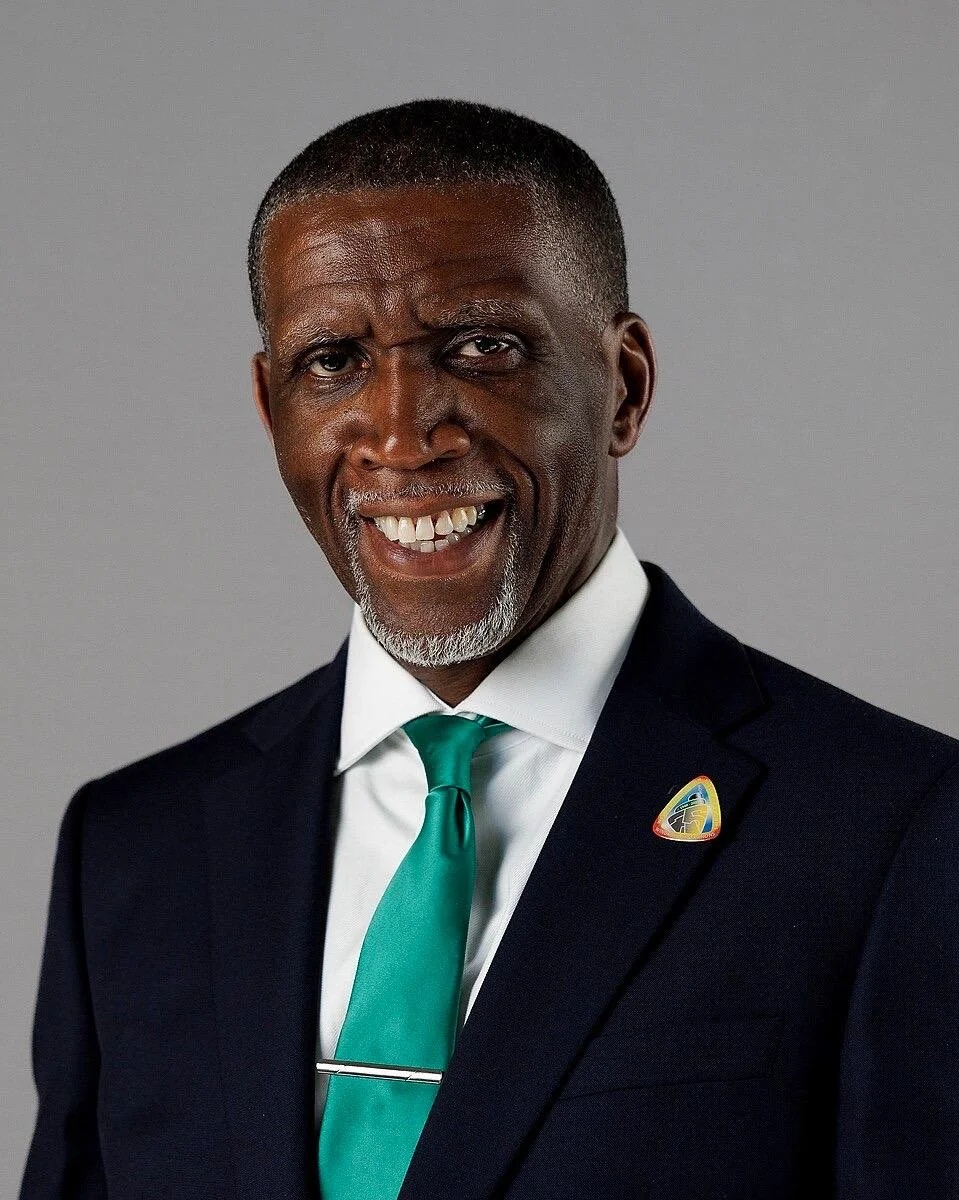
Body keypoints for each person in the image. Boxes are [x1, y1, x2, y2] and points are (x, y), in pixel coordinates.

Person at [20, 99, 958, 1200]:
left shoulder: (893, 828)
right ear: (271, 407)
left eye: (481, 347)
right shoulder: (134, 851)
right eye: (333, 360)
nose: (402, 434)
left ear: (623, 385)